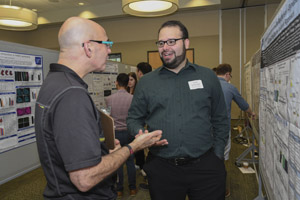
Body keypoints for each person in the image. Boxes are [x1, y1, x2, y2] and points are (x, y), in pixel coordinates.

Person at [35, 16, 165, 200]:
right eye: (107, 43)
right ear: (89, 47)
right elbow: (84, 178)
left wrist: (102, 150)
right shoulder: (72, 95)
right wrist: (134, 146)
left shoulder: (54, 83)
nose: (110, 50)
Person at [127, 20, 229, 200]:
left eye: (171, 41)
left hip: (206, 167)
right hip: (162, 169)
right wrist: (142, 136)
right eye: (161, 43)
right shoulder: (147, 82)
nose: (165, 47)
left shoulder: (207, 77)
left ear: (186, 43)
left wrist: (218, 153)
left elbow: (220, 117)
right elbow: (133, 119)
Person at [216, 63, 255, 197]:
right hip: (222, 130)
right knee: (223, 159)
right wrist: (251, 113)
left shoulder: (207, 85)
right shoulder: (230, 87)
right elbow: (244, 105)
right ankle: (222, 189)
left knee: (207, 157)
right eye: (230, 75)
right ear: (227, 74)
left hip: (206, 129)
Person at [104, 73, 136, 197]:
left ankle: (119, 189)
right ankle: (133, 188)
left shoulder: (108, 99)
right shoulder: (132, 98)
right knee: (130, 161)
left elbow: (108, 118)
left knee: (118, 162)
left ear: (116, 82)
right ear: (128, 83)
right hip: (129, 133)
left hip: (115, 133)